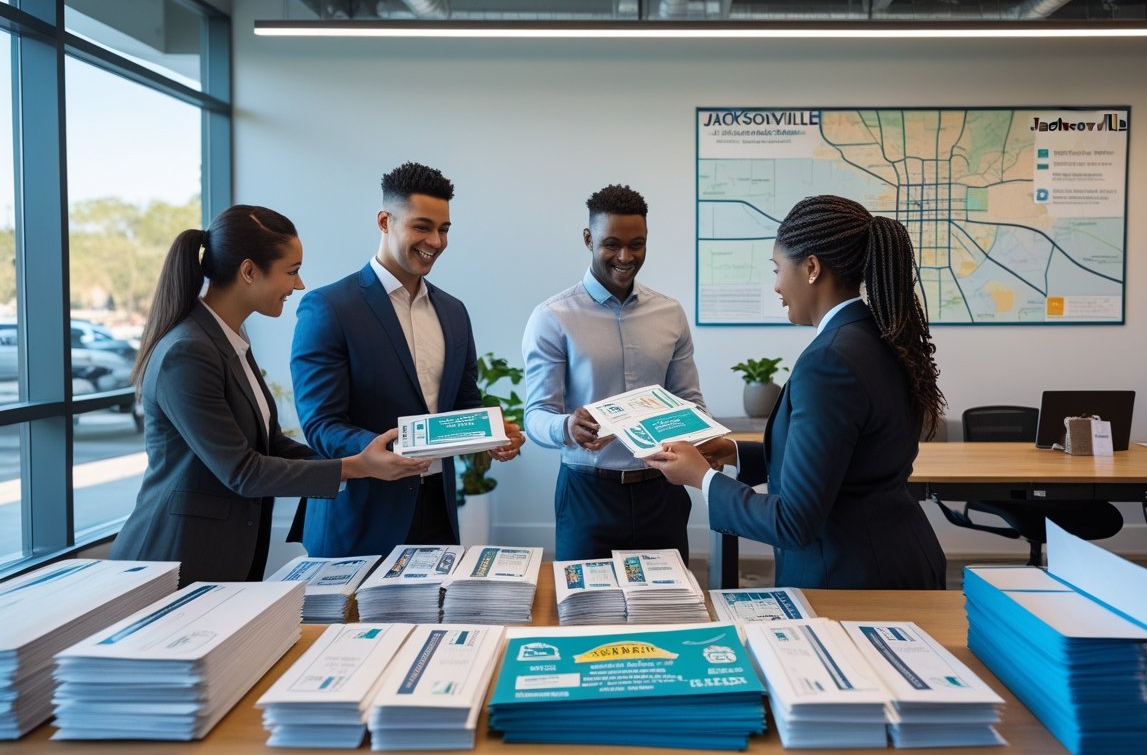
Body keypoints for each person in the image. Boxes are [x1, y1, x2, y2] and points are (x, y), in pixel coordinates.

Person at [645, 195, 948, 589]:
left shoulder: (830, 361)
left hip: (853, 577)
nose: (775, 286)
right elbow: (845, 460)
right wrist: (734, 452)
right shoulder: (880, 336)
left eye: (777, 269)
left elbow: (793, 522)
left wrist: (702, 478)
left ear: (810, 268)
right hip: (898, 556)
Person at [110, 205, 415, 586]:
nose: (299, 285)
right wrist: (354, 467)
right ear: (249, 271)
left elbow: (266, 445)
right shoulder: (187, 351)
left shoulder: (229, 339)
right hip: (173, 561)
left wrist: (359, 460)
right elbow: (242, 471)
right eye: (291, 271)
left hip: (219, 558)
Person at [290, 162, 524, 556]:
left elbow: (464, 403)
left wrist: (491, 434)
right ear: (385, 221)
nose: (436, 240)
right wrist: (381, 450)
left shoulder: (453, 312)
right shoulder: (329, 307)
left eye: (444, 229)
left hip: (437, 510)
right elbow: (321, 423)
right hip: (359, 515)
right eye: (422, 226)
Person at [522, 184, 707, 562]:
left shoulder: (669, 313)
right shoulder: (553, 317)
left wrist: (696, 429)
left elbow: (692, 403)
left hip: (663, 492)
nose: (625, 257)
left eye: (637, 244)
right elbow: (536, 416)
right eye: (612, 244)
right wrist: (566, 429)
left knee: (667, 614)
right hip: (588, 496)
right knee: (586, 616)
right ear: (588, 238)